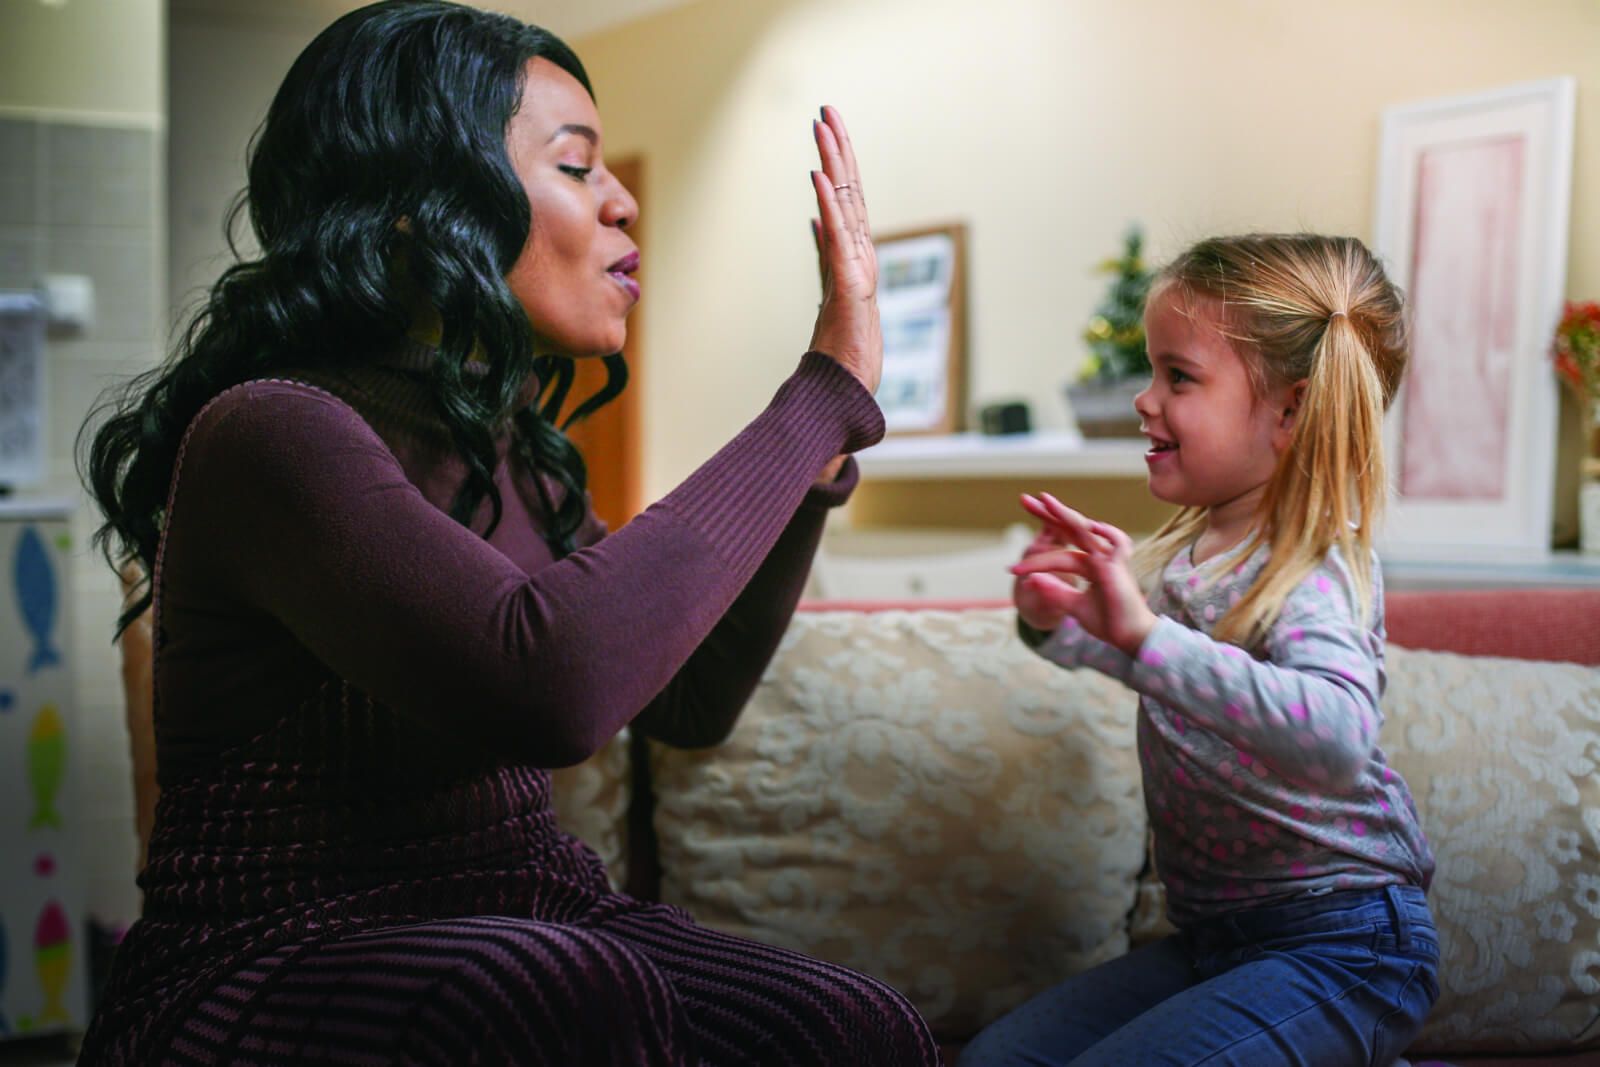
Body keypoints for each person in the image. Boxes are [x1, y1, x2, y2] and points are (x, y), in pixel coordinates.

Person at [76, 2, 940, 1063]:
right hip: (271, 944)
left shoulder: (517, 453)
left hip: (526, 910)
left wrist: (813, 464)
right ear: (415, 207)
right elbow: (550, 684)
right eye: (577, 169)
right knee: (554, 987)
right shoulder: (273, 432)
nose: (624, 201)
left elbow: (692, 700)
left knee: (850, 1024)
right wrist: (822, 395)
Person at [960, 234, 1439, 1066]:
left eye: (1178, 377)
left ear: (1289, 412)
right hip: (1218, 939)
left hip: (1348, 943)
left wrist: (1144, 634)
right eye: (1154, 371)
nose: (1145, 400)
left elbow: (1335, 736)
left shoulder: (1313, 560)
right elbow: (1159, 669)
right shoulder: (1186, 551)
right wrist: (1063, 621)